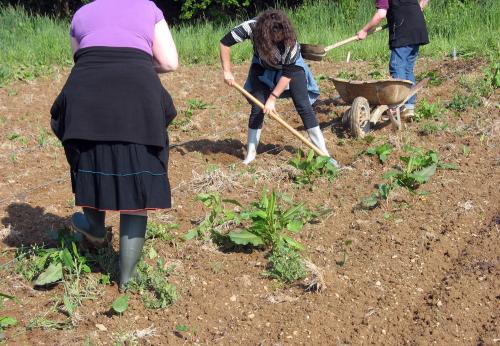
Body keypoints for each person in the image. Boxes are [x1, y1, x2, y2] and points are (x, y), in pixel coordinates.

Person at [50, 0, 179, 291]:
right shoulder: (148, 9)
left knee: (92, 157)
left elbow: (80, 59)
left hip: (86, 95)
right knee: (137, 186)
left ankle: (94, 227)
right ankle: (126, 281)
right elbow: (170, 62)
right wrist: (136, 65)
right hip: (138, 94)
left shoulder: (82, 13)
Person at [219, 9, 339, 166]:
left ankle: (324, 153)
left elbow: (288, 72)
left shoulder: (291, 42)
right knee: (257, 107)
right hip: (262, 66)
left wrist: (272, 98)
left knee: (304, 106)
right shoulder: (250, 28)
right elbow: (224, 42)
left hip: (291, 68)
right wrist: (227, 71)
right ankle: (251, 154)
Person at [357, 0, 429, 117]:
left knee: (397, 66)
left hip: (404, 31)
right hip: (418, 27)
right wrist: (420, 6)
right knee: (407, 69)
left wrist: (364, 30)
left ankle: (399, 107)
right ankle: (409, 107)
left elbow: (381, 14)